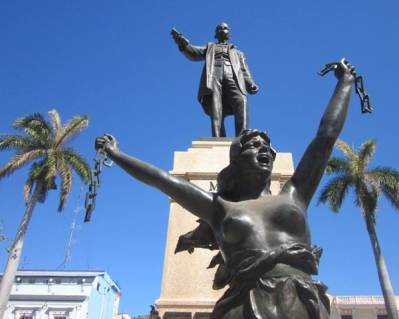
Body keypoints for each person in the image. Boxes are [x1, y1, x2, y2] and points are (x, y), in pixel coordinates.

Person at [95, 59, 357, 319]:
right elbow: (162, 180)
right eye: (253, 145)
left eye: (267, 146)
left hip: (302, 300)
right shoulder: (219, 208)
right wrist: (115, 153)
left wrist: (345, 83)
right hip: (243, 304)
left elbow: (326, 136)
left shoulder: (295, 193)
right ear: (236, 160)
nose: (264, 149)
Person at [171, 22, 259, 137]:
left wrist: (250, 83)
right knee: (216, 106)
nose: (223, 30)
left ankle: (242, 137)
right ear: (215, 34)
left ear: (229, 34)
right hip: (214, 75)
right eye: (220, 28)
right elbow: (194, 53)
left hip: (233, 76)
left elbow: (244, 70)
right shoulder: (210, 47)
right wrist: (183, 44)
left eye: (225, 28)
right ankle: (218, 137)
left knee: (242, 101)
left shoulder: (238, 53)